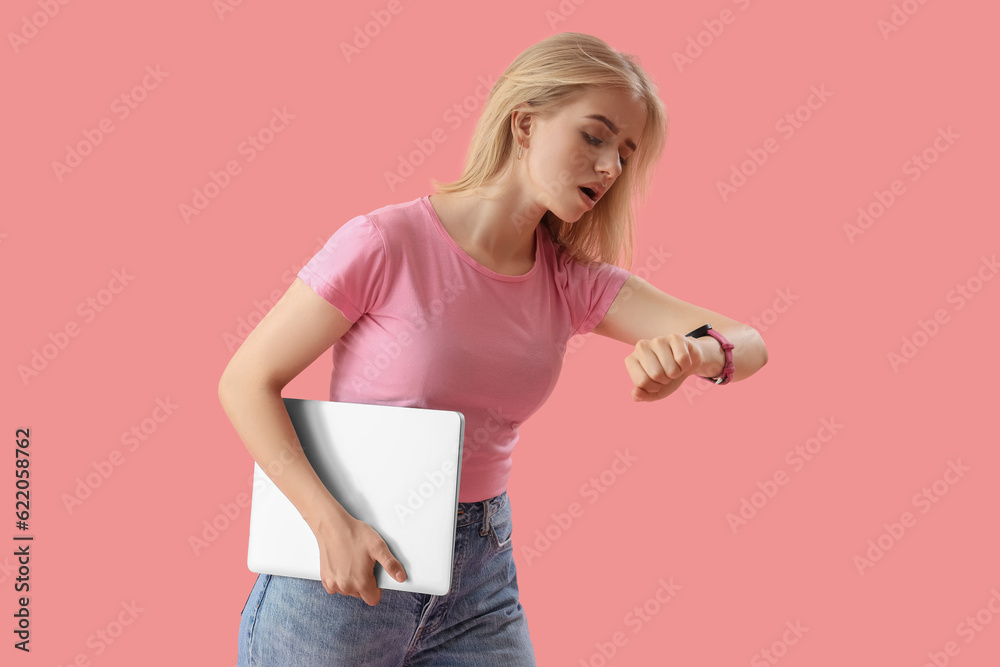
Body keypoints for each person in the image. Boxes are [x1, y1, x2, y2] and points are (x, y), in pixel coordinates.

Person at [220, 31, 768, 667]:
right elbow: (246, 380)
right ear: (526, 124)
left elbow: (747, 341)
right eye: (594, 135)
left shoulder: (569, 282)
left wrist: (695, 357)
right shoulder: (385, 242)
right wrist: (328, 524)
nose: (612, 167)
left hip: (479, 576)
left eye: (625, 152)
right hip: (347, 570)